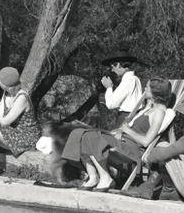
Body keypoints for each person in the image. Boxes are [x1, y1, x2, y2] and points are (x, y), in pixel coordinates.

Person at [41, 80, 174, 190]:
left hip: (132, 149)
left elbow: (146, 141)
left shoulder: (159, 113)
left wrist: (127, 130)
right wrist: (121, 131)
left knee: (91, 137)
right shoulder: (149, 109)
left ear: (156, 92)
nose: (145, 89)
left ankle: (106, 178)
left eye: (147, 87)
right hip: (122, 141)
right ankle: (93, 177)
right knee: (79, 133)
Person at [100, 53, 143, 128]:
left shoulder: (128, 80)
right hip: (133, 118)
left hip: (127, 120)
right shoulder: (135, 79)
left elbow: (111, 104)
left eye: (112, 67)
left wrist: (109, 87)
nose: (112, 70)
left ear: (119, 65)